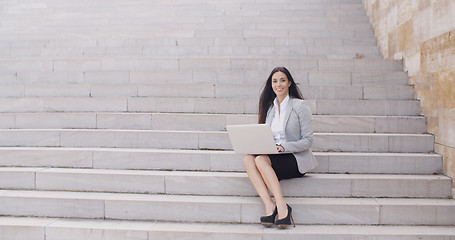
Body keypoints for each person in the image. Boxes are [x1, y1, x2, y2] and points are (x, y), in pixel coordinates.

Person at [243, 66, 318, 229]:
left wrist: (284, 147)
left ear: (289, 83)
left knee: (261, 161)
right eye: (275, 81)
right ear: (271, 85)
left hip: (295, 158)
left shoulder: (299, 106)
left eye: (282, 80)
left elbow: (308, 141)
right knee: (248, 158)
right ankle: (269, 205)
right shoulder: (269, 108)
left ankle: (282, 206)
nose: (279, 84)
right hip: (274, 154)